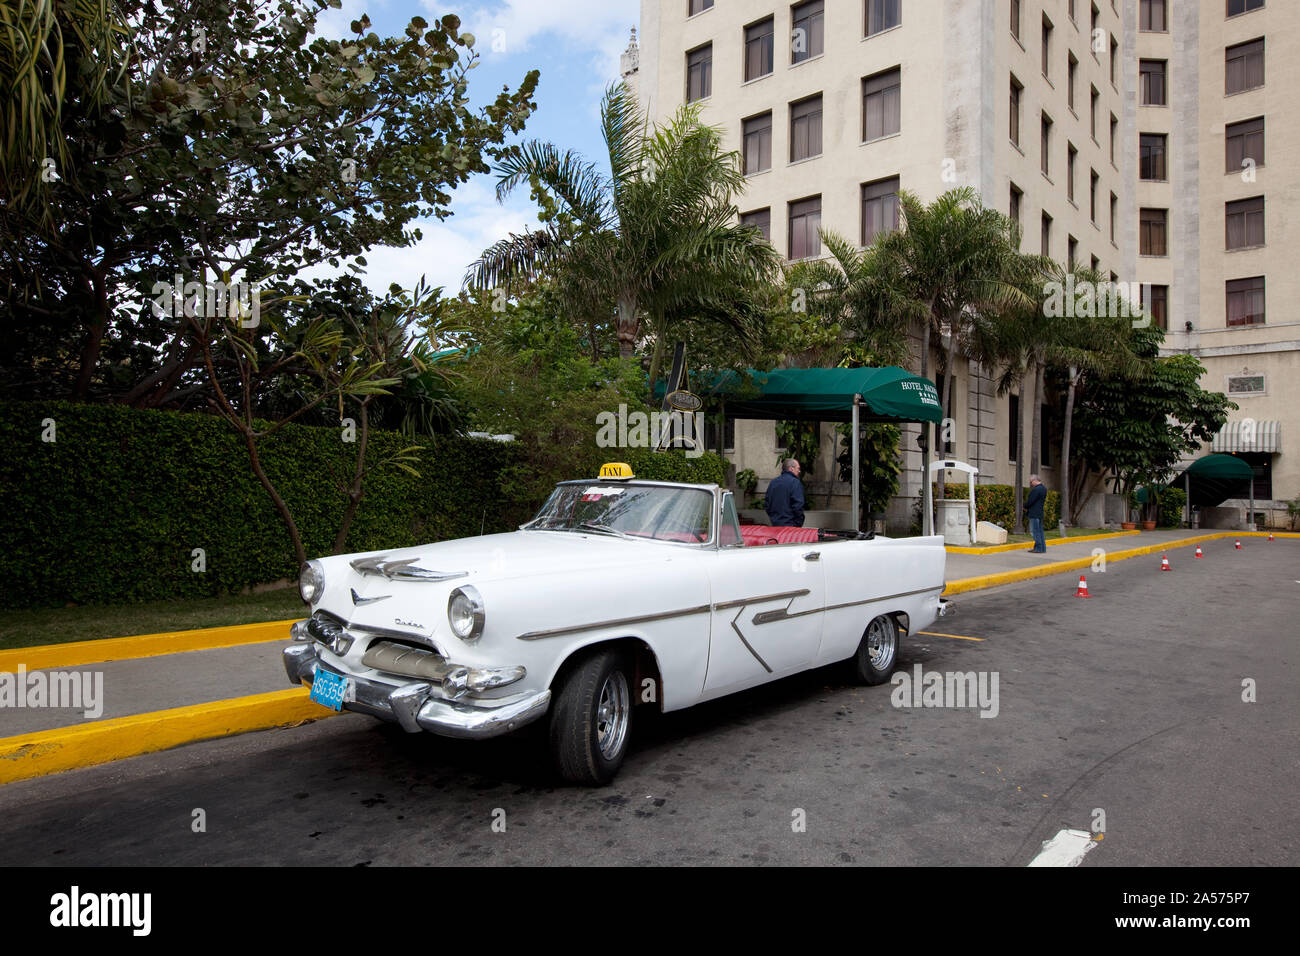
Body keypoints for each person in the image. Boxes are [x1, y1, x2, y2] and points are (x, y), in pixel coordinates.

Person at [765, 459, 806, 527]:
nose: (799, 471)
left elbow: (767, 504)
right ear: (791, 469)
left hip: (775, 525)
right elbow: (798, 506)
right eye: (798, 468)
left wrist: (774, 518)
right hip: (791, 526)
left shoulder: (773, 482)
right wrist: (798, 524)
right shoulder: (795, 483)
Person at [1024, 475, 1047, 553]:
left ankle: (1038, 548)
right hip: (1040, 513)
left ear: (1035, 480)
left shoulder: (1036, 490)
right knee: (1040, 531)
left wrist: (1024, 506)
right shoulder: (1044, 489)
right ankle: (1042, 548)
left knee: (1034, 531)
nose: (1031, 484)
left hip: (1034, 513)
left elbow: (1031, 501)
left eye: (1031, 482)